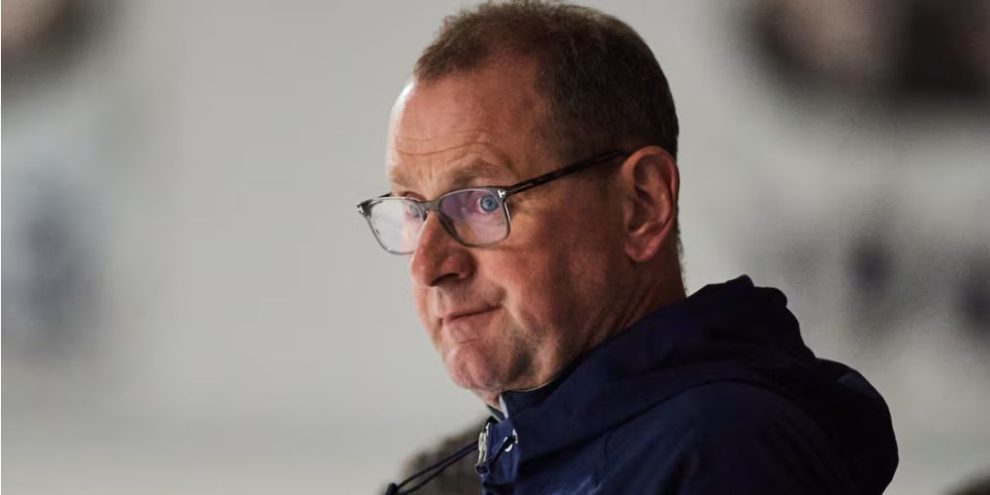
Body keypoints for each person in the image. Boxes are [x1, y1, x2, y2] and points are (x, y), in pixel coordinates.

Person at [357, 1, 899, 494]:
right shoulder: (500, 465)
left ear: (642, 204)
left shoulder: (722, 453)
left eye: (480, 202)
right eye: (412, 209)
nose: (429, 265)